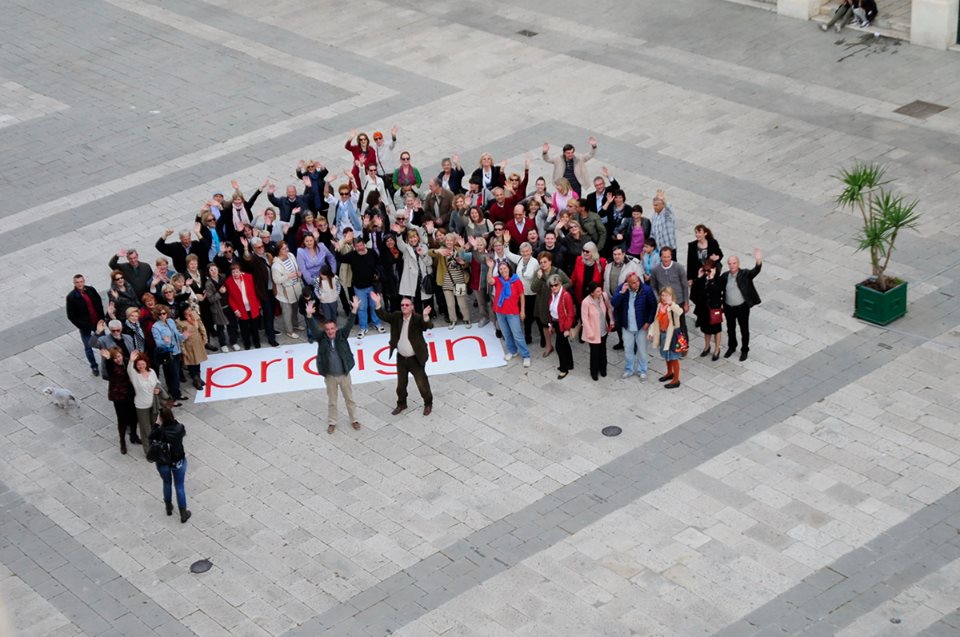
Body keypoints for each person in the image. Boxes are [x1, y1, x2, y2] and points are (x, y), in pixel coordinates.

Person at [372, 291, 434, 415]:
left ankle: (428, 403)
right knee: (401, 385)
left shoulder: (417, 318)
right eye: (402, 305)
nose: (404, 307)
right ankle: (402, 404)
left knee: (422, 383)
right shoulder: (396, 316)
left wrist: (426, 316)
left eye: (407, 305)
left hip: (415, 358)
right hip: (401, 357)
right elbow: (384, 316)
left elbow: (427, 325)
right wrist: (378, 304)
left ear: (412, 307)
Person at [312, 296, 362, 434]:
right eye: (327, 329)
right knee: (332, 401)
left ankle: (354, 420)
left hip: (344, 374)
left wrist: (354, 310)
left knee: (349, 399)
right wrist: (309, 316)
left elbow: (349, 324)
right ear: (325, 330)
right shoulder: (321, 339)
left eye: (332, 329)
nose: (330, 331)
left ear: (336, 328)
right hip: (330, 376)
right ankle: (332, 422)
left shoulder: (342, 335)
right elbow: (313, 329)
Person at [612, 273, 657, 380]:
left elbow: (653, 306)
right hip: (627, 326)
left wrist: (648, 322)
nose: (636, 284)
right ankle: (629, 369)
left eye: (637, 281)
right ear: (628, 283)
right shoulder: (622, 288)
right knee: (628, 349)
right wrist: (621, 292)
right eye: (633, 282)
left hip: (641, 326)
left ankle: (642, 370)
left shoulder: (646, 290)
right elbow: (614, 303)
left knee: (642, 350)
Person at [720, 249, 763, 361]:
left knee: (744, 329)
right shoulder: (725, 276)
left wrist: (758, 260)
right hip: (729, 308)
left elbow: (755, 271)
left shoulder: (745, 274)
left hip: (742, 307)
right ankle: (732, 347)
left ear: (738, 264)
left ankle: (744, 350)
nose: (732, 265)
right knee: (730, 329)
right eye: (730, 263)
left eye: (734, 263)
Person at [149, 408, 191, 523]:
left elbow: (150, 437)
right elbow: (182, 433)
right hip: (178, 461)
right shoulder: (179, 427)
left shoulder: (159, 431)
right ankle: (183, 512)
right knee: (179, 486)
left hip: (163, 462)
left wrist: (157, 424)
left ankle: (168, 507)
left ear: (161, 418)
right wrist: (175, 422)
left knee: (166, 483)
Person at [488, 259, 531, 368]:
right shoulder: (498, 280)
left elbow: (522, 296)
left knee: (518, 335)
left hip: (512, 312)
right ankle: (512, 351)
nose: (503, 271)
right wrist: (490, 267)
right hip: (500, 311)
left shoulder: (516, 281)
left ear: (509, 269)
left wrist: (523, 310)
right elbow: (489, 281)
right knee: (506, 334)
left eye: (504, 268)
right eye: (501, 269)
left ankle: (526, 356)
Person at [100, 346, 141, 454]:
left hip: (131, 395)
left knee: (134, 416)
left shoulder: (127, 361)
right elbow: (108, 368)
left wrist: (132, 361)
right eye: (115, 358)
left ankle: (134, 435)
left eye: (119, 356)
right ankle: (122, 442)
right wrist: (108, 359)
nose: (118, 359)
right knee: (122, 420)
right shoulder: (111, 366)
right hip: (119, 397)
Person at [66, 274, 105, 376]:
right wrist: (82, 326)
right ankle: (94, 366)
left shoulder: (91, 290)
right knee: (88, 347)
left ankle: (106, 363)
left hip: (97, 323)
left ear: (84, 281)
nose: (80, 284)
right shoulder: (71, 297)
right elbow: (71, 315)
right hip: (85, 326)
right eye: (77, 282)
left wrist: (102, 318)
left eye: (81, 281)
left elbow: (99, 303)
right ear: (74, 283)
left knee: (103, 343)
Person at [686, 224, 724, 326]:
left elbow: (720, 254)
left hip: (710, 274)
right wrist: (689, 278)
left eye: (699, 232)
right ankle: (699, 316)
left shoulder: (712, 243)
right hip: (699, 276)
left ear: (705, 233)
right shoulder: (692, 245)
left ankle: (710, 315)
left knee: (709, 296)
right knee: (698, 296)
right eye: (696, 232)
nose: (697, 234)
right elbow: (690, 262)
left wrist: (716, 258)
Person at [647, 287, 684, 389]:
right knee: (666, 355)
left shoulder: (673, 306)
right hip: (663, 334)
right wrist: (651, 332)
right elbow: (655, 321)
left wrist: (671, 303)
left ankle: (676, 380)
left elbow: (680, 312)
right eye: (662, 295)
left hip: (672, 336)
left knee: (673, 357)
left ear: (671, 296)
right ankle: (669, 373)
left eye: (667, 295)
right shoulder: (660, 306)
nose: (664, 298)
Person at [127, 351, 162, 456]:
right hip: (142, 406)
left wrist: (158, 390)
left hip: (154, 404)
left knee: (154, 426)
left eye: (143, 364)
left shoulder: (151, 371)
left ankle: (156, 446)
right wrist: (131, 360)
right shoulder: (135, 375)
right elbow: (129, 369)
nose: (141, 366)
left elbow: (157, 383)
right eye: (139, 365)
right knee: (145, 430)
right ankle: (149, 452)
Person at [151, 306, 188, 401]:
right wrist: (166, 342)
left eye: (164, 313)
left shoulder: (171, 321)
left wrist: (183, 336)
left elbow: (176, 334)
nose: (162, 316)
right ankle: (174, 394)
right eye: (160, 314)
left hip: (177, 351)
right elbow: (158, 343)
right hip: (167, 353)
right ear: (156, 315)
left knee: (176, 373)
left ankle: (175, 392)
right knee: (172, 374)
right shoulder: (156, 327)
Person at [581, 282, 615, 381]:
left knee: (603, 350)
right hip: (593, 332)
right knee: (594, 353)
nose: (600, 292)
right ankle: (594, 372)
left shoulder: (604, 296)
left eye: (600, 290)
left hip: (603, 329)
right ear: (592, 293)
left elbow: (609, 309)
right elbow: (585, 319)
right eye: (598, 291)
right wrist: (590, 332)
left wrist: (611, 321)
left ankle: (603, 369)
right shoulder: (586, 302)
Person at [224, 262, 262, 350]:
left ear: (240, 271)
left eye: (237, 272)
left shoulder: (248, 277)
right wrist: (235, 310)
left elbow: (255, 291)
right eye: (233, 272)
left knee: (254, 327)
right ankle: (247, 343)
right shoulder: (228, 281)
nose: (235, 274)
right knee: (244, 328)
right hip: (241, 309)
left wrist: (258, 304)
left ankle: (256, 342)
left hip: (252, 306)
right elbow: (230, 298)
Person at [545, 274, 576, 379]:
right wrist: (550, 324)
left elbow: (570, 314)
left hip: (563, 325)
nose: (554, 287)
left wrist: (567, 329)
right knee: (565, 345)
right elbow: (550, 310)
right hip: (556, 323)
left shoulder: (565, 296)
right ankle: (569, 364)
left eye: (556, 285)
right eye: (551, 285)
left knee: (559, 346)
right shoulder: (552, 294)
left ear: (560, 284)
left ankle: (564, 369)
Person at [271, 241, 303, 339]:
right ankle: (289, 330)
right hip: (285, 292)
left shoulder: (291, 255)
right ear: (279, 251)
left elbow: (296, 267)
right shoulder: (275, 265)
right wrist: (288, 276)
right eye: (284, 249)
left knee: (295, 308)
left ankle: (295, 324)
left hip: (296, 287)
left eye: (287, 247)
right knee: (287, 312)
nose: (287, 250)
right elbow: (276, 280)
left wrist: (298, 273)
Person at [696, 259, 724, 361]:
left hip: (714, 309)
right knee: (706, 329)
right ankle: (707, 347)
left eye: (709, 270)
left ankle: (717, 349)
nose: (707, 272)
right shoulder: (702, 278)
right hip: (704, 309)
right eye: (705, 270)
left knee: (716, 330)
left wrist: (712, 279)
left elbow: (716, 292)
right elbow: (695, 292)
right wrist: (699, 278)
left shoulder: (718, 279)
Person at [649, 247, 689, 313]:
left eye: (668, 257)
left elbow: (685, 286)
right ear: (660, 257)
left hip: (679, 302)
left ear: (671, 256)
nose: (666, 259)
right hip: (664, 303)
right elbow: (653, 286)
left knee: (681, 323)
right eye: (664, 257)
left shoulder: (679, 268)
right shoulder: (655, 270)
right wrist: (658, 299)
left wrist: (686, 302)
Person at [177, 308, 207, 390]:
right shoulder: (179, 321)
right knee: (191, 362)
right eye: (186, 309)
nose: (189, 311)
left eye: (189, 309)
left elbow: (201, 326)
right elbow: (180, 337)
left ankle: (199, 377)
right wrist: (183, 349)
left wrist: (204, 338)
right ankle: (195, 379)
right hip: (188, 344)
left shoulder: (194, 315)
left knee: (198, 360)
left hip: (197, 342)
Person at [650, 189, 677, 261]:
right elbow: (653, 232)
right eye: (654, 205)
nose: (654, 207)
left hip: (670, 248)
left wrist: (663, 199)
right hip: (660, 249)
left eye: (656, 205)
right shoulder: (654, 216)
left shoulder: (667, 215)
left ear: (662, 205)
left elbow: (670, 209)